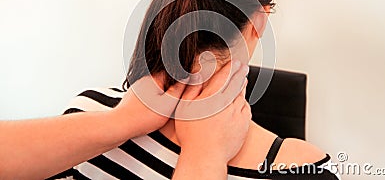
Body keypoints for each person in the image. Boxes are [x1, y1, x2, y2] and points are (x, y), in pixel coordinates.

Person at [49, 0, 341, 180]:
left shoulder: (85, 115)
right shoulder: (303, 168)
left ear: (162, 3)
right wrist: (204, 156)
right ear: (259, 22)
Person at [0, 62, 251, 180]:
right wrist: (204, 159)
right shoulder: (288, 162)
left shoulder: (88, 107)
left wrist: (119, 121)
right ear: (258, 22)